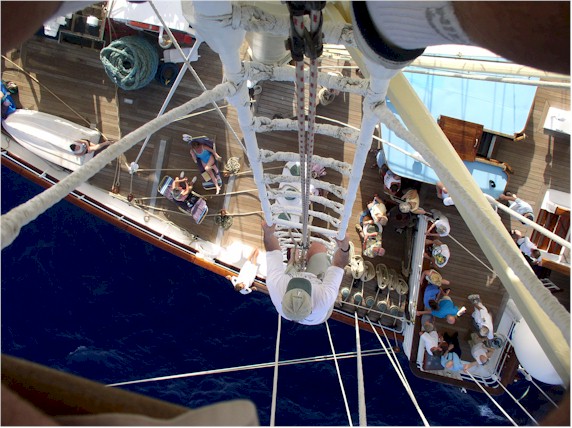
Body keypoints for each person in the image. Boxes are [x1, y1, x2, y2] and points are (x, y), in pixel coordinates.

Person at [262, 221, 350, 325]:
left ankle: (293, 261)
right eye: (304, 287)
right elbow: (339, 264)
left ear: (282, 299)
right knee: (318, 245)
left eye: (294, 285)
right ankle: (298, 259)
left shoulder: (276, 285)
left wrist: (268, 234)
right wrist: (344, 248)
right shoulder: (324, 298)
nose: (302, 281)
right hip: (318, 290)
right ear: (312, 306)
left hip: (289, 287)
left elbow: (272, 250)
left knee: (293, 255)